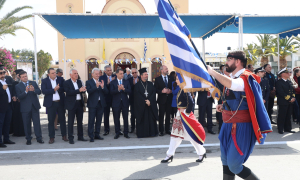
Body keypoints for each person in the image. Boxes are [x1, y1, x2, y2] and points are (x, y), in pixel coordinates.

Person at [207, 51, 272, 180]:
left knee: (234, 165)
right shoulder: (234, 78)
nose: (226, 62)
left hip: (241, 127)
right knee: (225, 162)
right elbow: (236, 98)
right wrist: (224, 106)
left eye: (229, 59)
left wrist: (213, 72)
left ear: (237, 61)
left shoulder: (246, 77)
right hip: (228, 124)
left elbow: (235, 86)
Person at [161, 73, 206, 163]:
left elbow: (191, 103)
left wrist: (186, 113)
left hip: (185, 117)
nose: (176, 80)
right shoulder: (182, 89)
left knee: (192, 136)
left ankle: (201, 152)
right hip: (180, 116)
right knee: (175, 136)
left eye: (177, 79)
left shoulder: (185, 89)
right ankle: (169, 155)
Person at [15, 71, 44, 145]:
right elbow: (19, 97)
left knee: (37, 123)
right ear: (20, 78)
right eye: (23, 76)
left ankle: (39, 138)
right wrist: (26, 91)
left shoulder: (33, 83)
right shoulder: (18, 86)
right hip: (25, 108)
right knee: (26, 124)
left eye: (26, 76)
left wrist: (34, 90)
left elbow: (39, 91)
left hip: (34, 106)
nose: (25, 77)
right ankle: (28, 139)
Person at [41, 68, 67, 144]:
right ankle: (51, 137)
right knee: (51, 121)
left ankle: (64, 135)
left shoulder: (60, 79)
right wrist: (53, 90)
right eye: (52, 73)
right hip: (51, 103)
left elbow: (65, 88)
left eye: (55, 72)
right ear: (48, 74)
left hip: (60, 102)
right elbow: (44, 91)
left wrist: (58, 89)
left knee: (62, 120)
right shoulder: (44, 81)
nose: (54, 74)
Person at [64, 69, 87, 144]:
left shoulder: (80, 81)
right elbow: (68, 92)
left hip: (79, 103)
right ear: (70, 75)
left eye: (77, 73)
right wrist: (79, 90)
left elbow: (81, 91)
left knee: (80, 122)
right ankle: (71, 138)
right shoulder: (66, 82)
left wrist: (83, 90)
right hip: (71, 105)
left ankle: (80, 136)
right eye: (75, 73)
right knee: (71, 122)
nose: (76, 74)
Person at [134, 68, 158, 138]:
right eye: (145, 74)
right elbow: (137, 96)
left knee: (151, 119)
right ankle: (142, 134)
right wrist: (145, 101)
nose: (146, 76)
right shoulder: (137, 85)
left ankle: (152, 133)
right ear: (141, 76)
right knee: (143, 119)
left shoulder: (150, 84)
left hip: (150, 105)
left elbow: (154, 93)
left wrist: (149, 101)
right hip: (142, 106)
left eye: (147, 74)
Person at [86, 68, 108, 142]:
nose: (98, 75)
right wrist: (96, 86)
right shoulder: (88, 82)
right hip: (92, 104)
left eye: (99, 74)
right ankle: (91, 136)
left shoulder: (102, 81)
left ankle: (97, 134)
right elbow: (89, 91)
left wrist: (103, 87)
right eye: (96, 74)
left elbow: (106, 92)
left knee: (99, 120)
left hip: (100, 104)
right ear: (92, 74)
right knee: (91, 120)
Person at [110, 69, 131, 139]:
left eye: (122, 73)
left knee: (125, 118)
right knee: (116, 118)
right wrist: (118, 89)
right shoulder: (112, 82)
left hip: (125, 102)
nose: (122, 75)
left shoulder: (126, 81)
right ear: (116, 74)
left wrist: (124, 89)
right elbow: (111, 92)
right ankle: (117, 132)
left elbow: (130, 91)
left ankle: (126, 133)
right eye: (120, 73)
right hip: (116, 103)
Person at [154, 65, 174, 136]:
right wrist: (162, 91)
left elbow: (174, 87)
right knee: (161, 115)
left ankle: (167, 129)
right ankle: (161, 130)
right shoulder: (157, 79)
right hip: (161, 100)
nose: (167, 70)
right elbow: (155, 90)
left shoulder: (171, 78)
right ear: (162, 70)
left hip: (169, 100)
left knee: (168, 115)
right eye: (166, 69)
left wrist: (170, 91)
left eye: (167, 69)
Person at [276, 68, 296, 134]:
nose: (289, 74)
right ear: (282, 74)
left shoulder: (289, 82)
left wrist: (293, 97)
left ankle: (288, 128)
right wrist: (290, 99)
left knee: (288, 116)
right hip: (283, 102)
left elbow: (292, 90)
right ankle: (280, 129)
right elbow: (281, 92)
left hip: (290, 102)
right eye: (287, 73)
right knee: (282, 115)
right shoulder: (279, 82)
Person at [0, 65, 15, 147]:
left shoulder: (7, 80)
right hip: (1, 107)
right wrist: (2, 89)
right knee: (0, 124)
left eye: (3, 73)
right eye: (0, 73)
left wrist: (13, 96)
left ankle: (6, 139)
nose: (2, 74)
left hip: (9, 105)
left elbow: (12, 90)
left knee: (7, 123)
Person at [100, 65, 116, 136]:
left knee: (116, 115)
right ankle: (106, 129)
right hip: (106, 99)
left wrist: (112, 82)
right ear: (105, 71)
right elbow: (102, 88)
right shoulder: (101, 77)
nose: (110, 72)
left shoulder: (115, 76)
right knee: (106, 115)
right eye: (108, 70)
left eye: (110, 70)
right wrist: (108, 83)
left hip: (114, 99)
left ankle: (118, 129)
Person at [10, 69, 25, 137]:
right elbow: (13, 92)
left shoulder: (25, 83)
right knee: (17, 117)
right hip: (17, 104)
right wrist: (15, 97)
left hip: (24, 102)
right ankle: (17, 132)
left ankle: (24, 131)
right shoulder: (14, 83)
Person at [128, 68, 140, 133]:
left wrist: (138, 83)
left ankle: (139, 127)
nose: (134, 74)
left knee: (139, 114)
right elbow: (129, 90)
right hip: (132, 100)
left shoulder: (140, 78)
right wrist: (133, 85)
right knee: (133, 114)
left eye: (135, 72)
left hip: (140, 100)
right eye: (133, 73)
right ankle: (132, 128)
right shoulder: (129, 80)